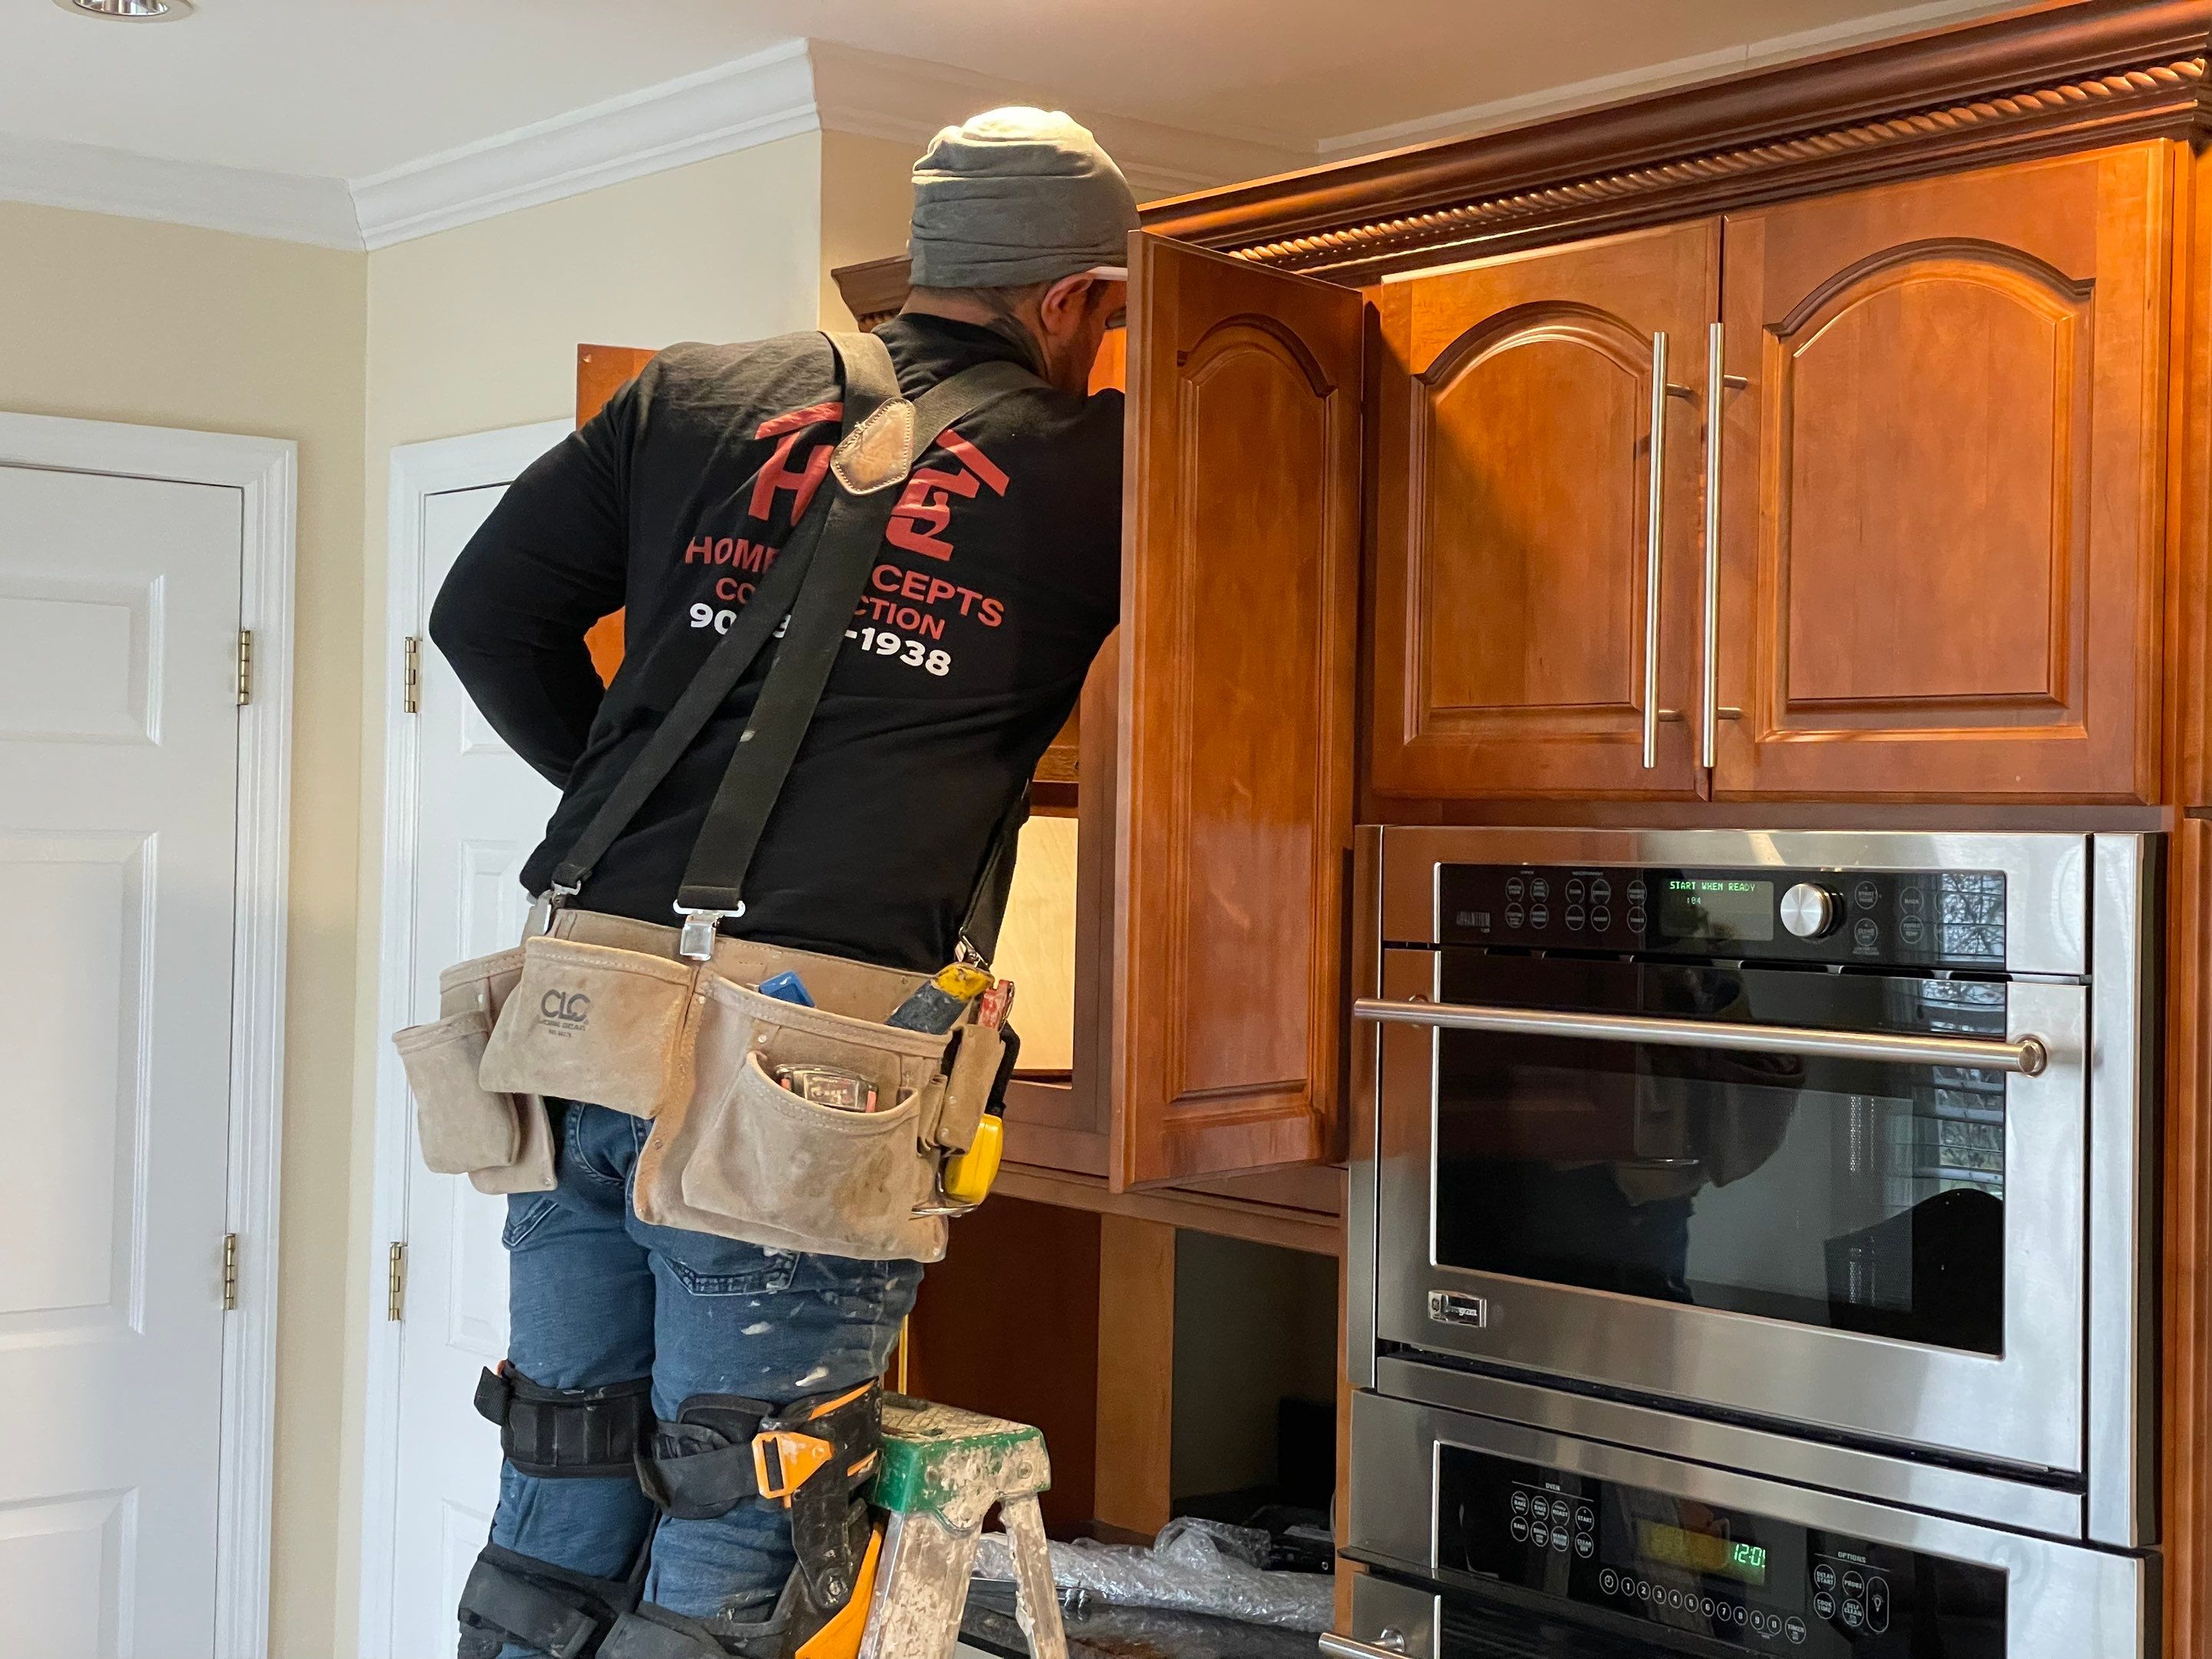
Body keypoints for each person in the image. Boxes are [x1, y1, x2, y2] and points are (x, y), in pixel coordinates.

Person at [426, 107, 1137, 1659]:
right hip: (813, 1060)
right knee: (747, 1528)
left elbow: (485, 618)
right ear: (1077, 298)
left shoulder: (696, 394)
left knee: (559, 1484)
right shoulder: (1108, 463)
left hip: (580, 1006)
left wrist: (641, 834)